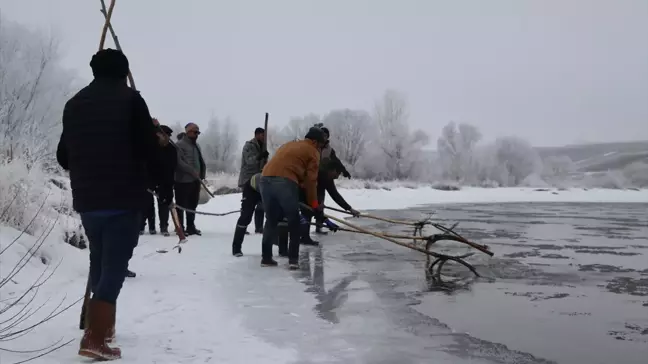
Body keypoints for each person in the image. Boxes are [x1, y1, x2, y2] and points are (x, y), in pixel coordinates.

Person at [56, 48, 162, 360]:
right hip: (123, 197)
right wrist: (155, 179)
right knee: (113, 269)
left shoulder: (74, 104)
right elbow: (147, 149)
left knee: (100, 263)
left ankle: (103, 326)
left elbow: (63, 156)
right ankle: (94, 337)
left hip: (88, 201)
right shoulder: (131, 100)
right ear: (123, 71)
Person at [259, 127, 326, 269]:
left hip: (264, 178)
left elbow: (291, 166)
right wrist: (314, 204)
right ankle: (293, 261)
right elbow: (311, 181)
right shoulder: (313, 151)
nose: (321, 148)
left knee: (271, 220)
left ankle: (266, 258)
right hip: (285, 181)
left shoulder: (289, 144)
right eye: (321, 145)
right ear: (315, 142)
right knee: (294, 221)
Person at [300, 158, 358, 245]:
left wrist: (349, 209)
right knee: (307, 212)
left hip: (314, 196)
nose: (337, 177)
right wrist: (325, 219)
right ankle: (303, 238)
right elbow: (310, 193)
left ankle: (306, 236)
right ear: (332, 170)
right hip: (302, 193)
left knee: (314, 209)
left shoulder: (328, 179)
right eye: (337, 173)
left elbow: (335, 195)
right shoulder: (316, 174)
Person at [314, 127, 351, 235]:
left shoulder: (329, 150)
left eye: (326, 136)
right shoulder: (313, 146)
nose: (324, 137)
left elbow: (336, 162)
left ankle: (319, 225)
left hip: (323, 179)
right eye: (322, 135)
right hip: (312, 178)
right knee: (312, 203)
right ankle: (308, 229)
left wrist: (344, 171)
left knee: (319, 202)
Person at [174, 123, 206, 236]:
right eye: (194, 132)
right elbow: (178, 162)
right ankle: (180, 228)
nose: (197, 134)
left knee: (192, 205)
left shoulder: (196, 146)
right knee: (181, 205)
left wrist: (202, 174)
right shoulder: (179, 145)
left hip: (195, 180)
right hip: (182, 180)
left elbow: (200, 161)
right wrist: (190, 170)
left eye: (198, 132)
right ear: (188, 132)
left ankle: (191, 226)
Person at [236, 127, 268, 241]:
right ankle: (242, 227)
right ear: (257, 135)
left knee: (261, 204)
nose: (264, 137)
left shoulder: (263, 146)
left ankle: (259, 227)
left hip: (258, 180)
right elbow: (249, 161)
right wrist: (260, 156)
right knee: (247, 204)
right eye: (263, 135)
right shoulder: (249, 146)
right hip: (248, 179)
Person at [155, 125, 177, 237]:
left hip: (167, 181)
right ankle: (146, 225)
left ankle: (164, 226)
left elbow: (173, 166)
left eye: (167, 136)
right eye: (164, 135)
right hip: (153, 180)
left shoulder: (172, 149)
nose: (166, 138)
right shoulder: (152, 148)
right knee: (147, 204)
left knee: (166, 203)